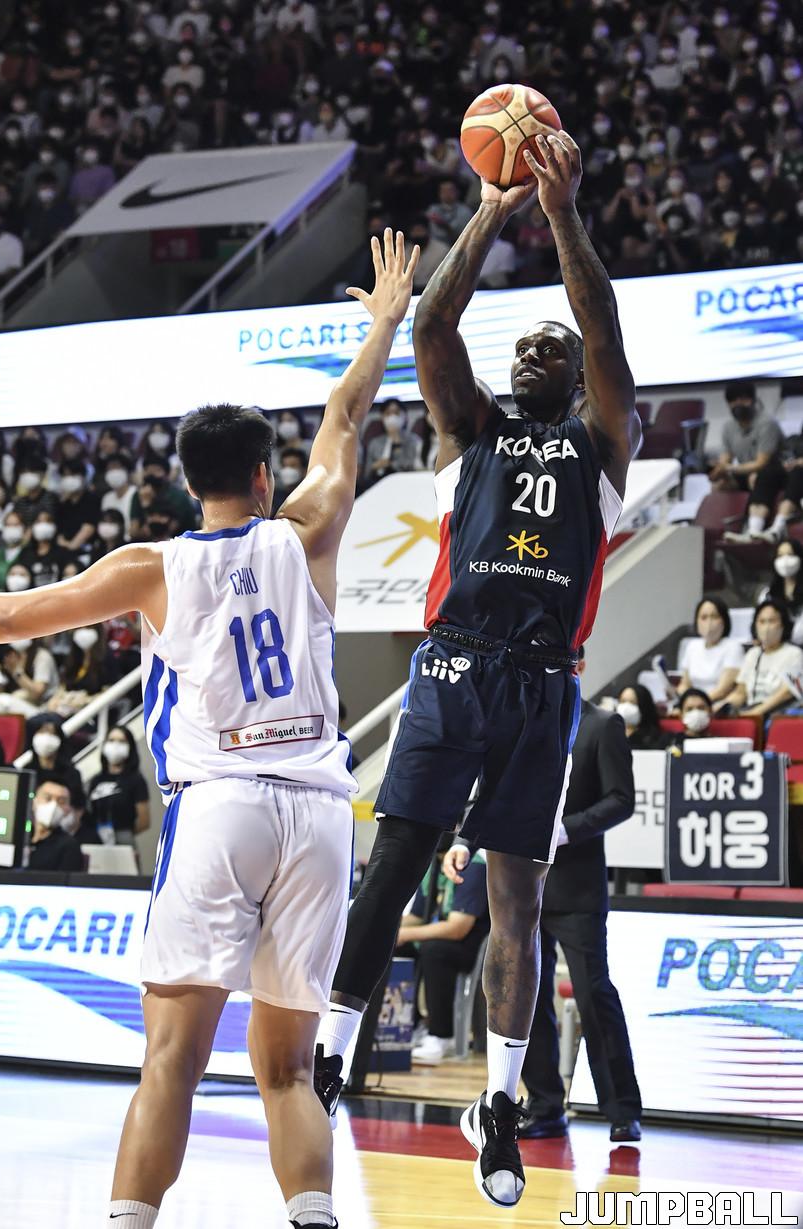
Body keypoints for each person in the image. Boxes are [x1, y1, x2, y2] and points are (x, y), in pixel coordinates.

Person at [0, 227, 418, 1229]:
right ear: (266, 476)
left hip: (220, 805)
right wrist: (386, 322)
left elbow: (8, 617)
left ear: (188, 483)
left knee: (171, 1060)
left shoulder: (153, 566)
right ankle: (313, 1217)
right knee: (289, 1069)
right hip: (319, 812)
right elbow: (345, 414)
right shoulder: (310, 527)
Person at [315, 130, 640, 1210]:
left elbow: (602, 325)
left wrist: (561, 213)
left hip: (543, 681)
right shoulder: (470, 432)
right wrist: (494, 208)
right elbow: (433, 322)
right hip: (454, 665)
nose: (538, 349)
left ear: (577, 377)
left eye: (555, 346)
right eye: (528, 344)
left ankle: (501, 1104)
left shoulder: (602, 447)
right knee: (395, 856)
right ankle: (333, 1050)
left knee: (515, 898)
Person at [444, 647, 641, 1142]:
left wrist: (565, 831)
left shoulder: (603, 725)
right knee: (524, 995)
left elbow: (621, 800)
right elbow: (492, 793)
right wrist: (465, 841)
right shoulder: (518, 724)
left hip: (576, 889)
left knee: (594, 992)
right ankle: (545, 1104)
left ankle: (622, 1109)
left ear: (579, 666)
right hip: (520, 888)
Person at [396, 846, 489, 1066]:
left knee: (434, 951)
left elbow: (458, 928)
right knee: (393, 947)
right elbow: (417, 917)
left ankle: (441, 1035)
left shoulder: (473, 866)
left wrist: (405, 934)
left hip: (471, 945)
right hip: (440, 937)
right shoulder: (432, 865)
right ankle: (412, 1024)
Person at [713, 382, 786, 543]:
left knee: (759, 476)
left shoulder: (767, 423)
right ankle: (722, 530)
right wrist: (719, 471)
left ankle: (753, 529)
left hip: (774, 471)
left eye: (743, 400)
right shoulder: (728, 427)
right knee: (720, 485)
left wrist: (730, 468)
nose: (738, 404)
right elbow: (725, 459)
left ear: (753, 400)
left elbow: (762, 462)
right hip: (746, 471)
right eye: (733, 401)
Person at [728, 599, 803, 720]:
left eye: (772, 621)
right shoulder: (752, 654)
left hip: (776, 715)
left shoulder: (794, 654)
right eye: (762, 621)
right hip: (749, 712)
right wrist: (720, 707)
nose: (766, 627)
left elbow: (787, 693)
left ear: (783, 625)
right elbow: (740, 693)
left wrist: (755, 713)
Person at [84, 725, 150, 850]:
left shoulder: (136, 780)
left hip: (123, 839)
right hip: (96, 839)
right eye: (111, 740)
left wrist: (125, 834)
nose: (115, 745)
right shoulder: (97, 780)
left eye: (121, 741)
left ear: (130, 746)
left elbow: (144, 821)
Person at [676, 596, 744, 707]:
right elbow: (685, 684)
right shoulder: (692, 646)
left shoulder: (733, 647)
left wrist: (698, 703)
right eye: (704, 617)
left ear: (724, 621)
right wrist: (683, 698)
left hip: (717, 705)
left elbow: (723, 690)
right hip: (691, 705)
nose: (709, 622)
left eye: (714, 617)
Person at [26, 777, 83, 871]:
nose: (53, 806)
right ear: (34, 802)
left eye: (61, 801)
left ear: (68, 809)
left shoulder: (69, 846)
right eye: (47, 798)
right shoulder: (21, 837)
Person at [363, 399, 421, 484]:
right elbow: (366, 474)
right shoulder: (375, 443)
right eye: (388, 413)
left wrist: (397, 442)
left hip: (405, 482)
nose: (392, 417)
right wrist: (375, 466)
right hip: (377, 483)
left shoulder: (414, 440)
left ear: (405, 416)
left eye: (396, 413)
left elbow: (414, 467)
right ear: (382, 417)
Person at [760, 540, 803, 646]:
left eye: (790, 554)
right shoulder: (767, 594)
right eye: (780, 556)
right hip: (776, 647)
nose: (785, 560)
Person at [616, 683, 669, 750]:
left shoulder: (654, 738)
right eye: (623, 701)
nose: (626, 707)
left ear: (644, 706)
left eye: (632, 702)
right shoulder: (611, 733)